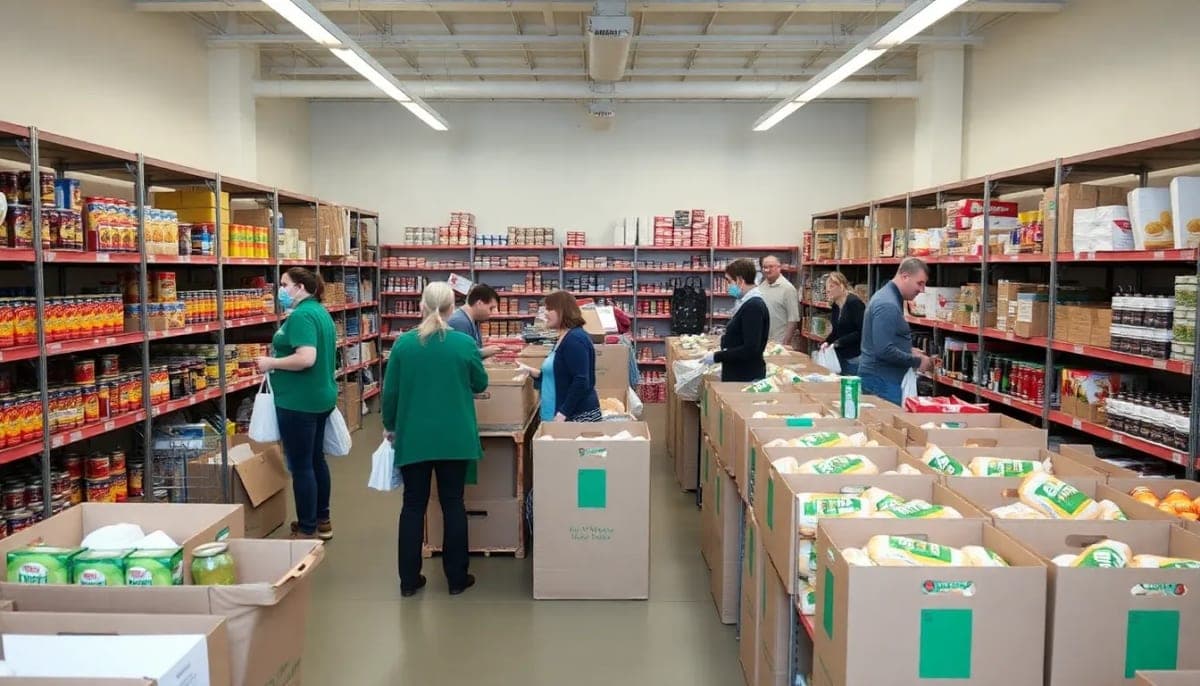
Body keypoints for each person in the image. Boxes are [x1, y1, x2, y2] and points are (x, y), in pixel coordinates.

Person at [382, 281, 489, 597]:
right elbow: (480, 383)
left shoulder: (404, 345)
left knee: (413, 506)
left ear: (421, 307)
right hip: (455, 437)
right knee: (453, 503)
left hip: (414, 437)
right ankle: (457, 579)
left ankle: (408, 581)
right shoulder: (463, 344)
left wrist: (390, 426)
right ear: (452, 308)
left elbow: (391, 394)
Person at [255, 267, 338, 541]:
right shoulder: (319, 312)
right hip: (320, 397)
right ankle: (322, 520)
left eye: (284, 284)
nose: (281, 290)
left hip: (299, 403)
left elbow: (306, 358)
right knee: (316, 460)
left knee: (301, 465)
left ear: (300, 287)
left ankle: (306, 527)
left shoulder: (302, 315)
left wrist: (272, 362)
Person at [858, 257, 936, 405]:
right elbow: (884, 350)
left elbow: (883, 340)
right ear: (905, 276)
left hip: (881, 380)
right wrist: (917, 361)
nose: (922, 290)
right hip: (881, 382)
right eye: (919, 283)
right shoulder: (887, 304)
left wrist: (907, 349)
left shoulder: (891, 298)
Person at [525, 291, 601, 422]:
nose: (545, 313)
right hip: (559, 414)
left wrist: (563, 413)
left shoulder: (575, 339)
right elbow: (560, 375)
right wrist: (530, 371)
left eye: (550, 309)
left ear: (563, 311)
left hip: (575, 417)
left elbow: (581, 380)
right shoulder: (563, 337)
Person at [703, 258, 769, 382]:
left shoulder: (753, 306)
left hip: (745, 375)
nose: (728, 286)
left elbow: (750, 349)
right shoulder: (746, 303)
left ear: (739, 280)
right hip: (738, 372)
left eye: (729, 281)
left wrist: (717, 357)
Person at [821, 272, 866, 375]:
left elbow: (862, 331)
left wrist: (839, 342)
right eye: (827, 287)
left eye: (831, 286)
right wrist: (827, 342)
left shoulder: (854, 303)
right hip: (841, 355)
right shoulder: (836, 305)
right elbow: (837, 330)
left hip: (854, 356)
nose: (828, 290)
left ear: (841, 286)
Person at [447, 283, 501, 359]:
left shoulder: (474, 319)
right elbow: (460, 357)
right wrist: (483, 352)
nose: (493, 313)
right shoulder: (459, 322)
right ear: (479, 304)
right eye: (491, 308)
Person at [759, 255, 799, 345]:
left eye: (771, 267)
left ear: (779, 268)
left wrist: (786, 342)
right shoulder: (761, 286)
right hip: (763, 341)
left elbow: (793, 319)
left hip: (779, 342)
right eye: (765, 267)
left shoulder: (788, 289)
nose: (767, 270)